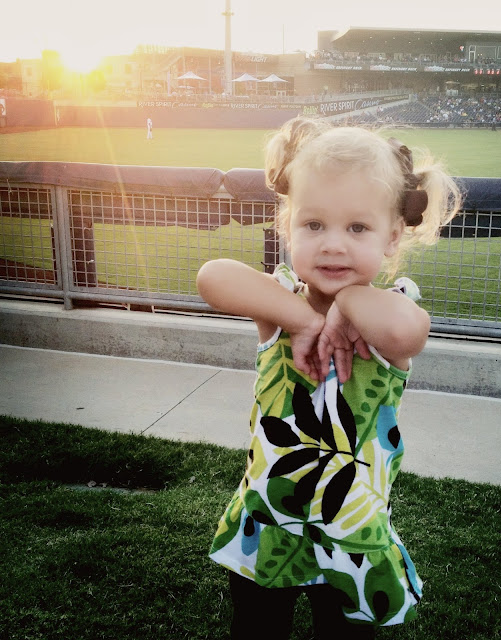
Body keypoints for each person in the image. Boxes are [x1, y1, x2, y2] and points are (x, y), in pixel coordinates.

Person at [196, 117, 461, 639]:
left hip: (351, 535)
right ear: (287, 226)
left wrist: (348, 302)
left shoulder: (391, 310)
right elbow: (212, 277)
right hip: (269, 521)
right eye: (313, 225)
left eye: (357, 228)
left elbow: (407, 333)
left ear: (393, 236)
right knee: (255, 628)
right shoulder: (280, 304)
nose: (333, 245)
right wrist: (304, 320)